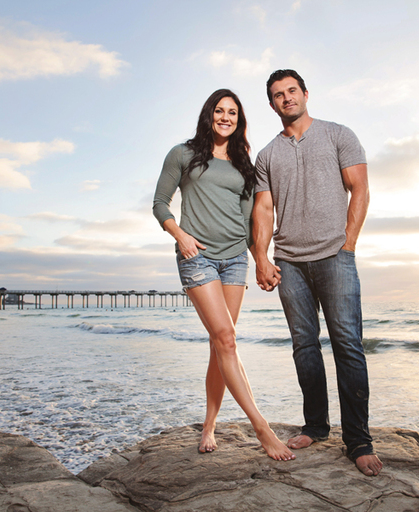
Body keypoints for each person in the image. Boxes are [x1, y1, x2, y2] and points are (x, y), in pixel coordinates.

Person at [252, 70, 383, 476]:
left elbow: (359, 188)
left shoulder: (338, 134)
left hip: (334, 256)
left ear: (306, 94)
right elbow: (263, 209)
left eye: (292, 91)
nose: (287, 98)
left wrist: (348, 243)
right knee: (304, 346)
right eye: (278, 95)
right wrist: (261, 256)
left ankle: (358, 440)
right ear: (272, 104)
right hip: (289, 261)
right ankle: (316, 426)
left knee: (347, 343)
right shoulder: (267, 155)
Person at [153, 89, 294, 461]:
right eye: (220, 111)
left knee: (221, 345)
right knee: (227, 340)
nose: (225, 118)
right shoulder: (182, 154)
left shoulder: (243, 163)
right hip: (197, 257)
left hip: (234, 259)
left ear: (239, 120)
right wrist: (180, 235)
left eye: (232, 113)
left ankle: (210, 424)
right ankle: (261, 428)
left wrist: (261, 260)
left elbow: (249, 223)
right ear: (209, 114)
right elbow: (159, 203)